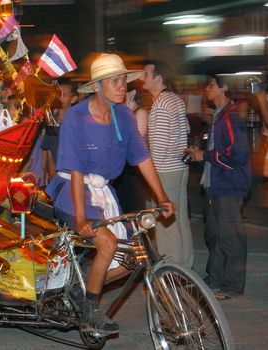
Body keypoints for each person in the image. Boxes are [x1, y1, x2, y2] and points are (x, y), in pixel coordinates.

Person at [45, 53, 174, 334]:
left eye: (123, 81)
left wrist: (162, 197)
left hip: (103, 193)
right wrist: (81, 218)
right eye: (115, 82)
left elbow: (142, 158)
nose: (122, 87)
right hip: (72, 191)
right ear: (98, 86)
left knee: (135, 258)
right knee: (107, 243)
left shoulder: (124, 115)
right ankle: (91, 310)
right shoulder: (76, 118)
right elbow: (76, 172)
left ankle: (81, 291)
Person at [186, 76, 251, 299]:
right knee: (214, 234)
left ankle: (231, 285)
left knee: (229, 237)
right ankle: (214, 279)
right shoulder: (219, 116)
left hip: (228, 186)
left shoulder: (231, 116)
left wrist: (205, 155)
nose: (206, 89)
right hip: (216, 184)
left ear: (223, 87)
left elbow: (238, 155)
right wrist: (199, 151)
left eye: (211, 85)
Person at [140, 60, 194, 268]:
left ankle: (172, 271)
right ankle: (186, 268)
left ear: (158, 78)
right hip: (179, 167)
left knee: (165, 225)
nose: (143, 78)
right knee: (180, 221)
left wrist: (151, 173)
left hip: (164, 169)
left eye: (146, 74)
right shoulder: (175, 99)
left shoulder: (161, 104)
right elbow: (186, 131)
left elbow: (158, 147)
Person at [41, 81, 78, 183]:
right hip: (57, 176)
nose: (59, 97)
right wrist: (52, 173)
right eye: (57, 94)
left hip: (74, 175)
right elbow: (49, 148)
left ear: (73, 99)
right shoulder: (51, 120)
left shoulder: (77, 122)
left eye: (64, 94)